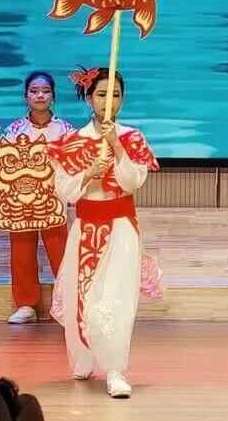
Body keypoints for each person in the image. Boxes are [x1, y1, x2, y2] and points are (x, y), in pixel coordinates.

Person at [49, 66, 162, 398]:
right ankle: (85, 356)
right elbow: (64, 191)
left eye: (115, 95)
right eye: (101, 94)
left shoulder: (132, 138)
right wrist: (87, 174)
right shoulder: (73, 141)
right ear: (88, 98)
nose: (108, 101)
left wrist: (116, 146)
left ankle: (115, 369)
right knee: (81, 297)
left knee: (116, 298)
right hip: (85, 228)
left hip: (120, 228)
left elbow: (133, 181)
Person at [0, 71, 74, 324]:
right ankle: (26, 304)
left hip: (53, 200)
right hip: (20, 202)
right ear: (26, 96)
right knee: (21, 251)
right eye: (34, 91)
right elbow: (1, 163)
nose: (40, 95)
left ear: (53, 96)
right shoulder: (14, 130)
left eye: (45, 91)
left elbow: (74, 164)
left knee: (60, 251)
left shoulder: (66, 130)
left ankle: (69, 303)